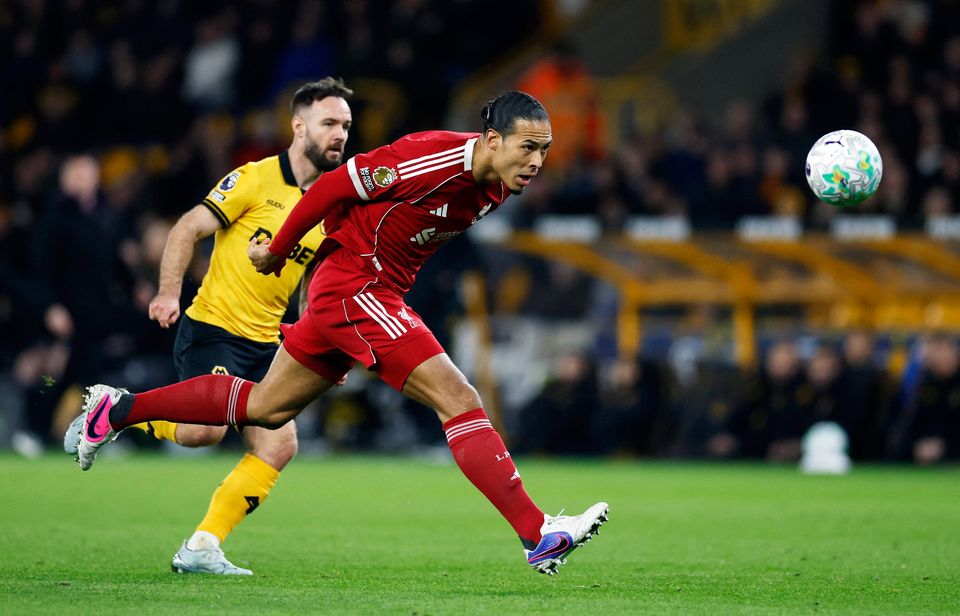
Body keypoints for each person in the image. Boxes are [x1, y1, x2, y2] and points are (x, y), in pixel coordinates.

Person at [71, 91, 608, 575]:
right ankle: (537, 532)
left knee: (265, 410)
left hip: (356, 293)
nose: (537, 162)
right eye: (528, 148)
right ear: (492, 140)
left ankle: (116, 411)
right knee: (458, 397)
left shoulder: (498, 181)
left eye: (545, 150)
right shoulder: (430, 157)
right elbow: (333, 188)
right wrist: (278, 252)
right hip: (357, 288)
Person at [65, 78, 354, 575]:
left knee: (280, 443)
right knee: (204, 432)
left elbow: (314, 277)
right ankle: (119, 409)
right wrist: (167, 291)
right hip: (214, 327)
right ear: (298, 125)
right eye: (329, 123)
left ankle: (202, 546)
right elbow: (188, 227)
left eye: (346, 125)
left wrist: (317, 337)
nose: (340, 135)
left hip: (268, 342)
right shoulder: (255, 178)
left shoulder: (331, 201)